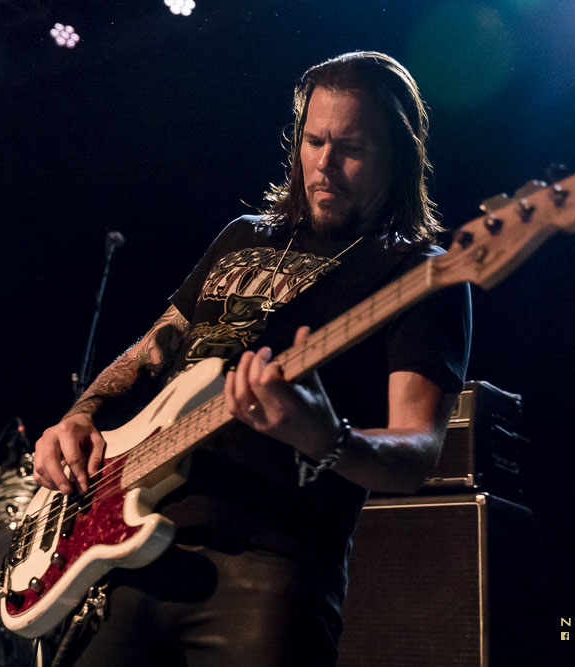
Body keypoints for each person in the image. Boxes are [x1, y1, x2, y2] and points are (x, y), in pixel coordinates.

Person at [32, 51, 472, 666]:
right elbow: (153, 350)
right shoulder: (244, 235)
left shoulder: (420, 275)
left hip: (270, 567)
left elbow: (415, 453)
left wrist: (329, 438)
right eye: (314, 140)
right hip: (132, 550)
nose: (324, 163)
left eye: (351, 148)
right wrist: (80, 415)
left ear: (397, 154)